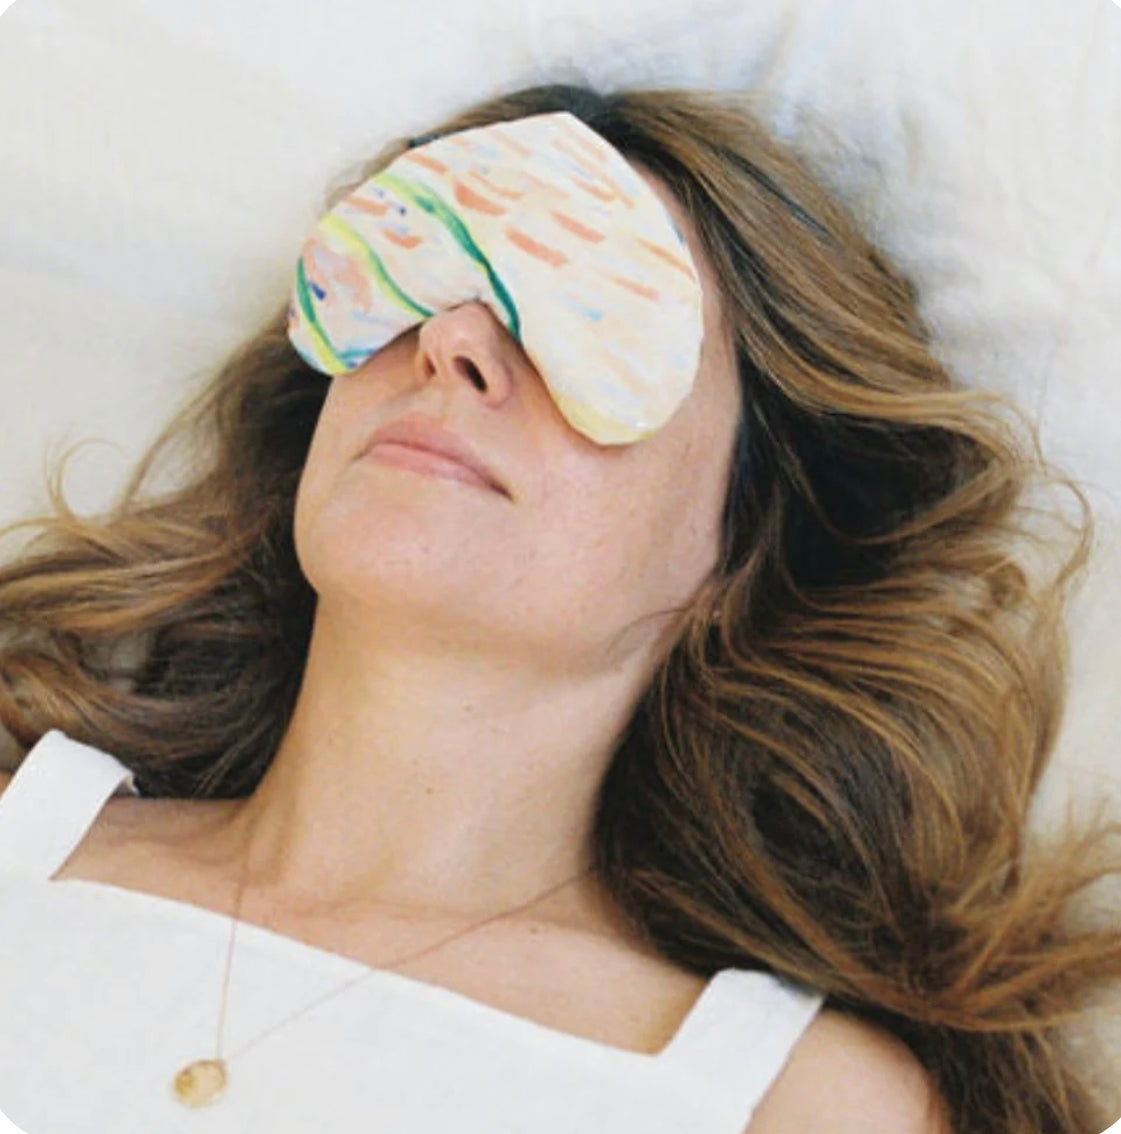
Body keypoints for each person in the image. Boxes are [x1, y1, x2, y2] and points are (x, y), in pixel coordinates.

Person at [0, 81, 1118, 1134]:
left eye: (587, 308)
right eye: (415, 270)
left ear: (744, 538)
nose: (451, 343)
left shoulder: (795, 1103)